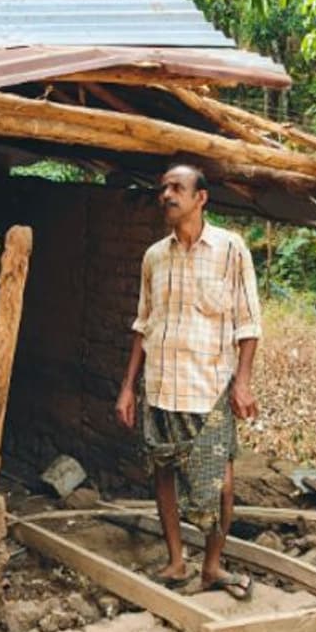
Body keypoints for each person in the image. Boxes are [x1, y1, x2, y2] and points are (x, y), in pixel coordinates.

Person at [114, 163, 262, 600]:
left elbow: (249, 324)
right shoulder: (154, 256)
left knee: (221, 482)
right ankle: (177, 561)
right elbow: (143, 325)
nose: (166, 195)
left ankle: (212, 566)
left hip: (209, 389)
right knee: (163, 472)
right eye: (163, 188)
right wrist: (128, 387)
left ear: (201, 198)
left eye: (177, 188)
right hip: (161, 386)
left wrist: (243, 382)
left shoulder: (231, 249)